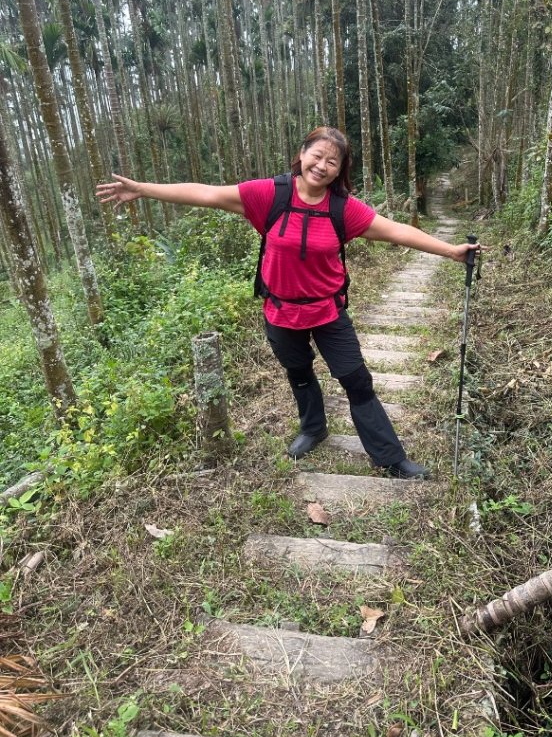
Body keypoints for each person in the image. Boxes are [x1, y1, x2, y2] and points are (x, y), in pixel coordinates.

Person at [97, 127, 481, 480]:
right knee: (298, 372)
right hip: (280, 311)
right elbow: (207, 193)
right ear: (302, 155)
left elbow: (396, 231)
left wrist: (450, 251)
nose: (323, 166)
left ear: (340, 170)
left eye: (333, 161)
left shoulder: (343, 208)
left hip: (328, 311)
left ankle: (390, 457)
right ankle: (313, 428)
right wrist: (145, 189)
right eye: (318, 156)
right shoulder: (270, 195)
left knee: (356, 381)